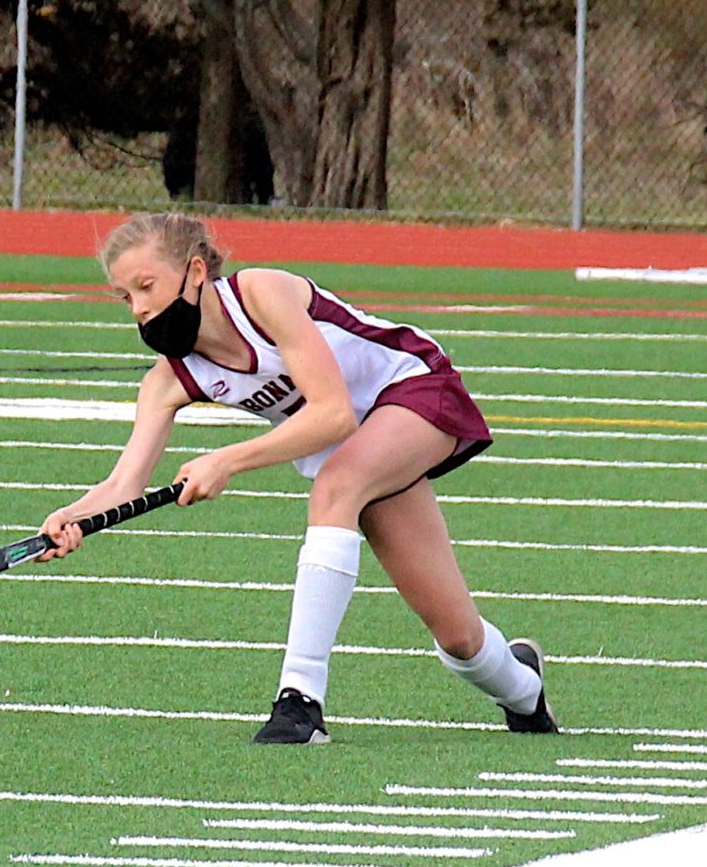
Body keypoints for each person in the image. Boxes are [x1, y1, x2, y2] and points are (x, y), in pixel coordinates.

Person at [38, 212, 556, 745]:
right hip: (354, 447)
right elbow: (124, 484)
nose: (141, 308)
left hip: (410, 388)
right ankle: (523, 686)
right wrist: (70, 518)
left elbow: (333, 414)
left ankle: (299, 701)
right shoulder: (169, 378)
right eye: (126, 297)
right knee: (460, 637)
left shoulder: (260, 294)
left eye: (146, 286)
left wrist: (227, 460)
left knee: (335, 486)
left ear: (195, 272)